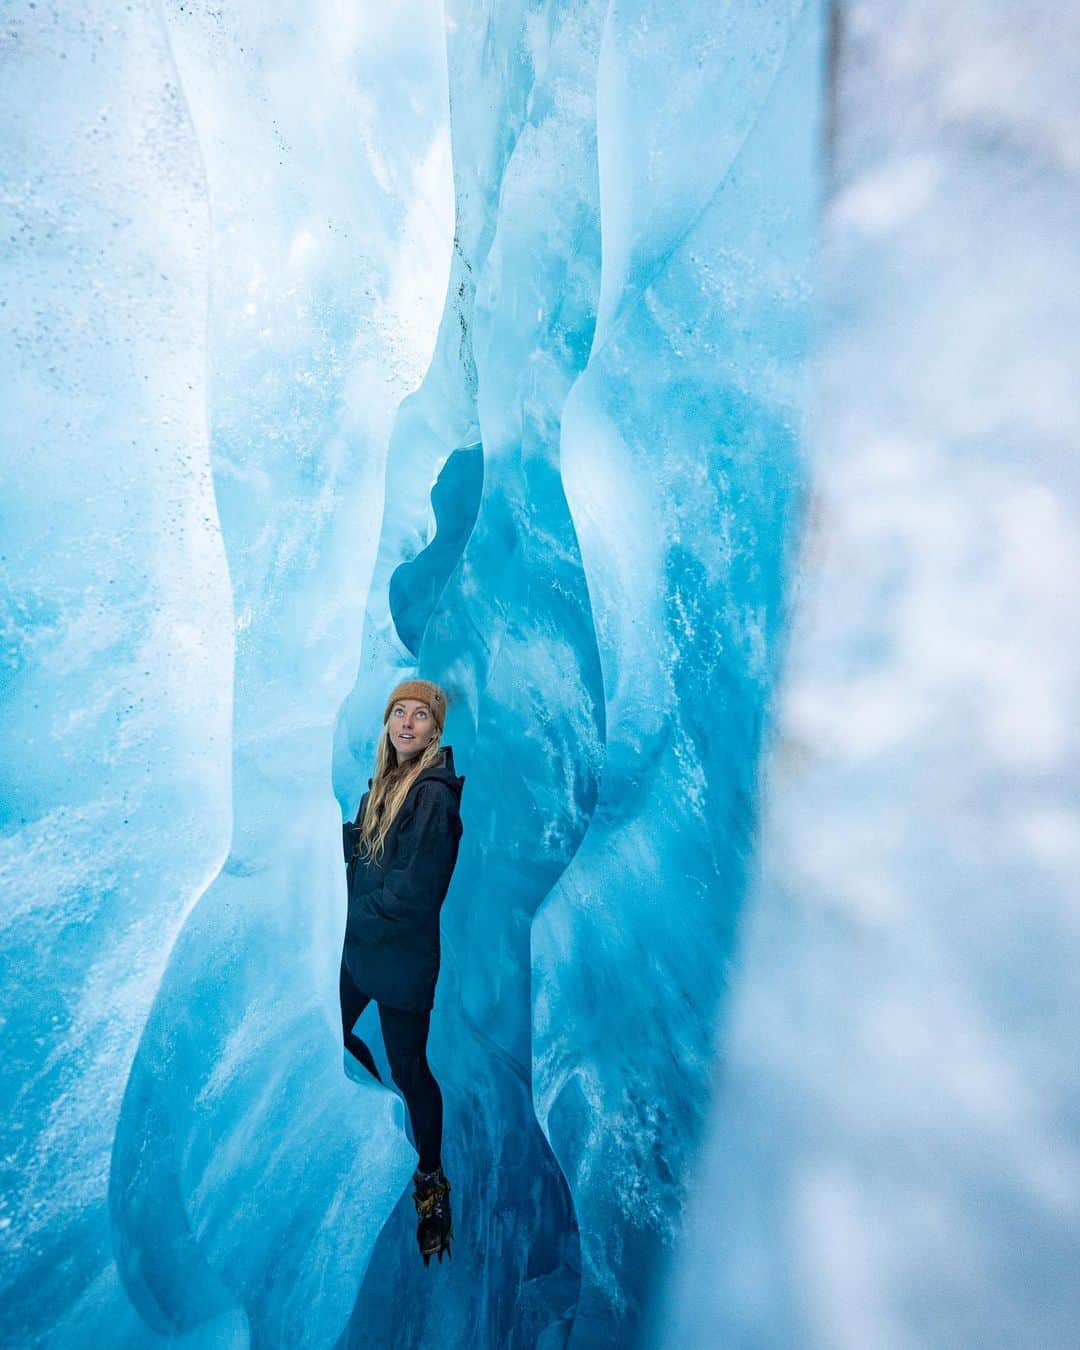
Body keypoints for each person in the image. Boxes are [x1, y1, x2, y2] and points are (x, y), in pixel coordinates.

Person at [340, 678, 466, 1266]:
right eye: (399, 713)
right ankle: (371, 1121)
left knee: (412, 1071)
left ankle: (430, 1179)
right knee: (332, 1034)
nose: (407, 723)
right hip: (362, 952)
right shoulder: (384, 785)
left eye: (420, 715)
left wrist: (347, 915)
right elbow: (364, 853)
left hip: (401, 960)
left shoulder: (433, 796)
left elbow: (414, 893)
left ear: (435, 729)